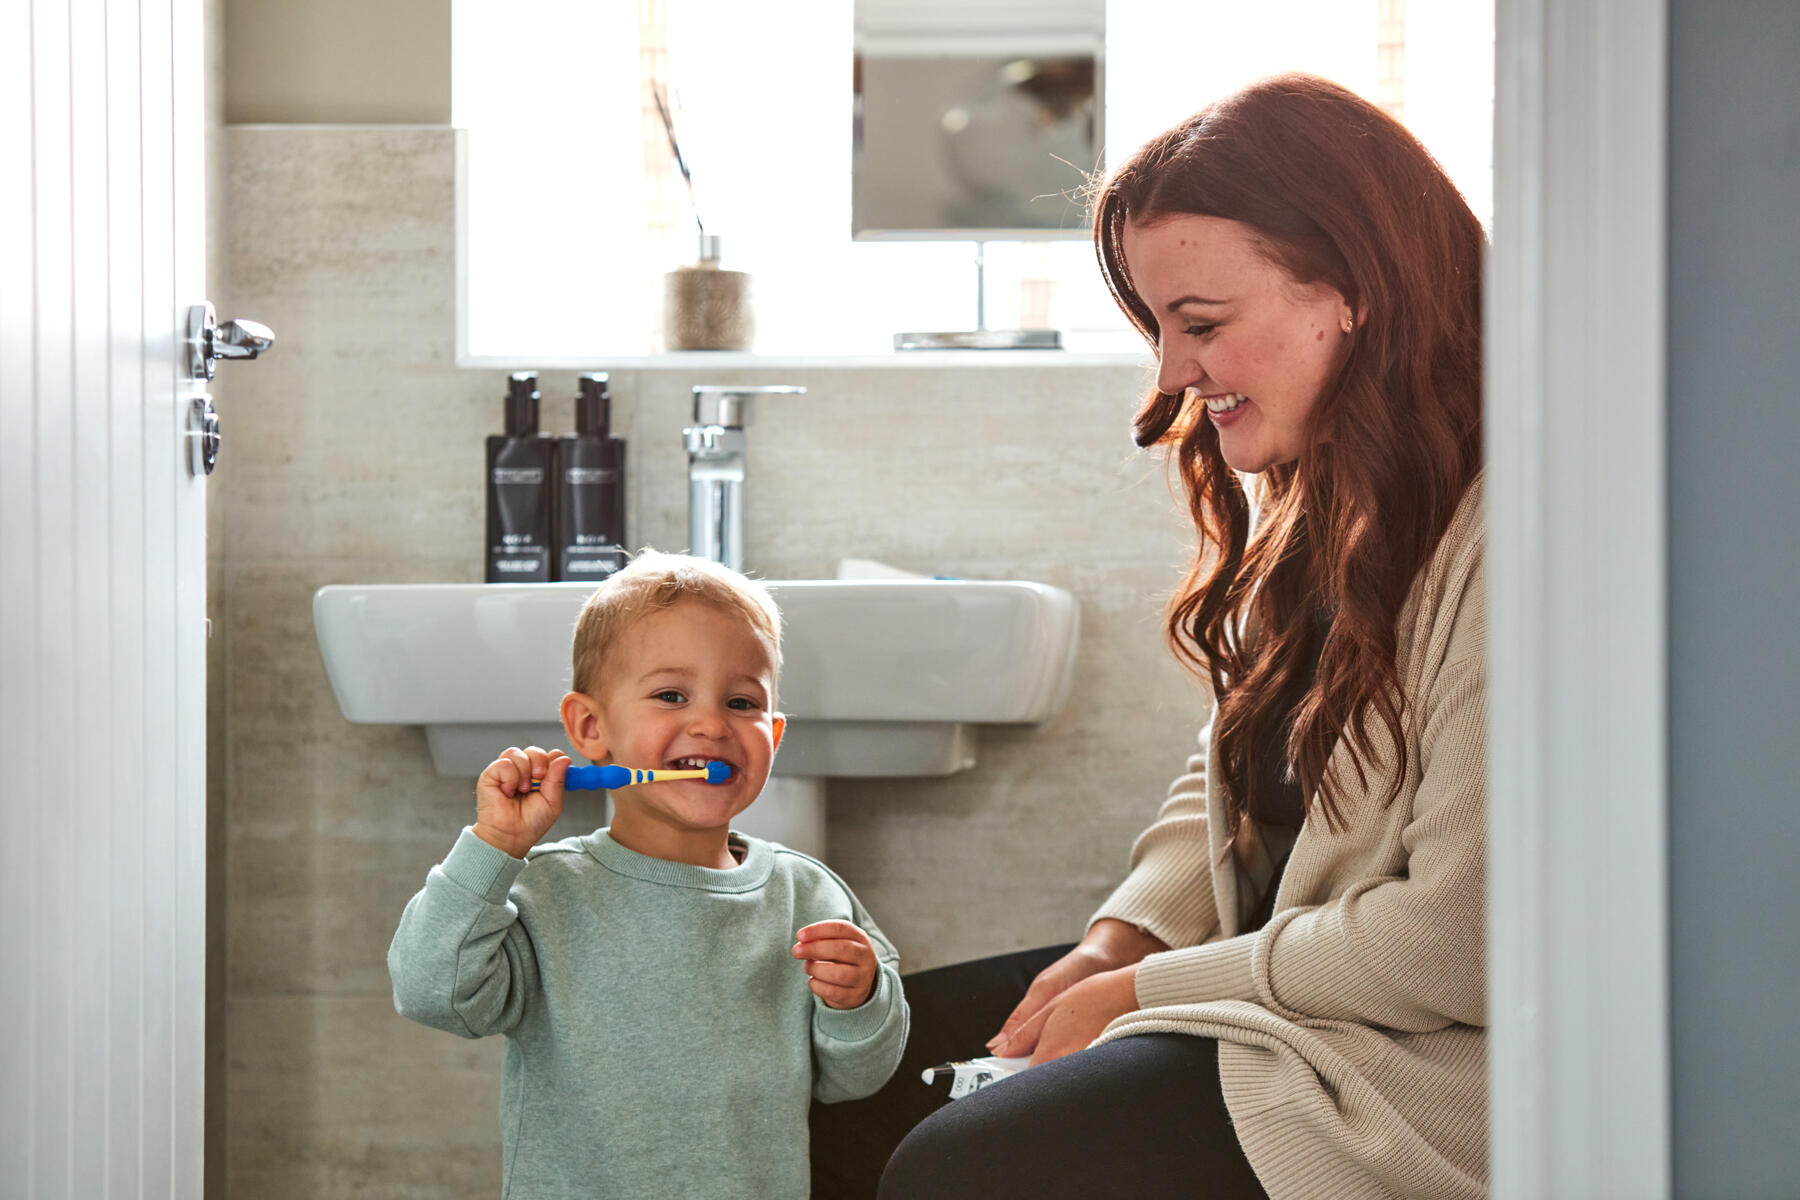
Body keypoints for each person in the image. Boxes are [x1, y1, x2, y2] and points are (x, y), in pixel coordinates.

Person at [813, 72, 1488, 1199]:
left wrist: (1143, 993)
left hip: (1394, 1075)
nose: (1172, 373)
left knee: (961, 1168)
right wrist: (1123, 940)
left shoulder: (1507, 540)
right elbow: (1237, 760)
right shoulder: (1329, 502)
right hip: (1281, 1002)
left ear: (1355, 293)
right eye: (1158, 326)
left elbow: (1454, 944)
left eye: (1202, 325)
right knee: (836, 1084)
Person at [389, 550, 910, 1199]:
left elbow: (855, 1080)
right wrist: (494, 847)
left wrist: (860, 1002)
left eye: (742, 702)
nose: (712, 724)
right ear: (590, 728)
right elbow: (431, 993)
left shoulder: (810, 896)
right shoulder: (544, 892)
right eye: (671, 695)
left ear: (773, 735)